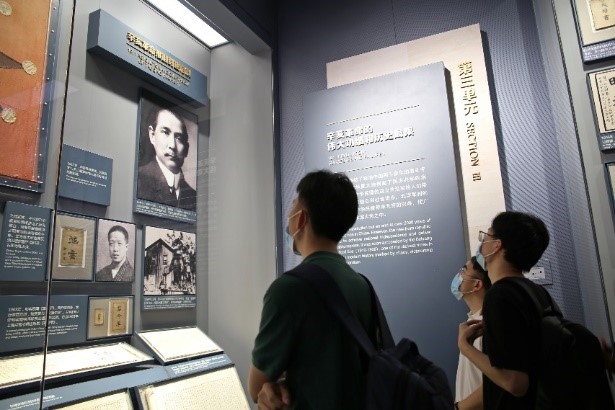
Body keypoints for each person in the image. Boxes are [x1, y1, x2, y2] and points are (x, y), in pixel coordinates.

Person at [248, 170, 374, 410]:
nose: (289, 215)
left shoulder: (287, 289)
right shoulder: (362, 284)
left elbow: (256, 386)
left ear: (301, 219)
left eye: (293, 204)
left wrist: (279, 382)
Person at [458, 211, 550, 409]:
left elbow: (515, 382)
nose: (482, 242)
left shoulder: (500, 295)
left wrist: (465, 347)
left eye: (487, 236)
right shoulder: (538, 292)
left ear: (497, 245)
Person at [137, 106, 196, 211]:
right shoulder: (138, 179)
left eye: (179, 138)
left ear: (186, 149)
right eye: (165, 132)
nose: (172, 145)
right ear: (152, 135)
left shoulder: (193, 196)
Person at [452, 256, 491, 410]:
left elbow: (497, 384)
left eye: (463, 270)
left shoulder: (486, 327)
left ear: (477, 284)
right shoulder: (473, 321)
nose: (458, 275)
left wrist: (460, 408)